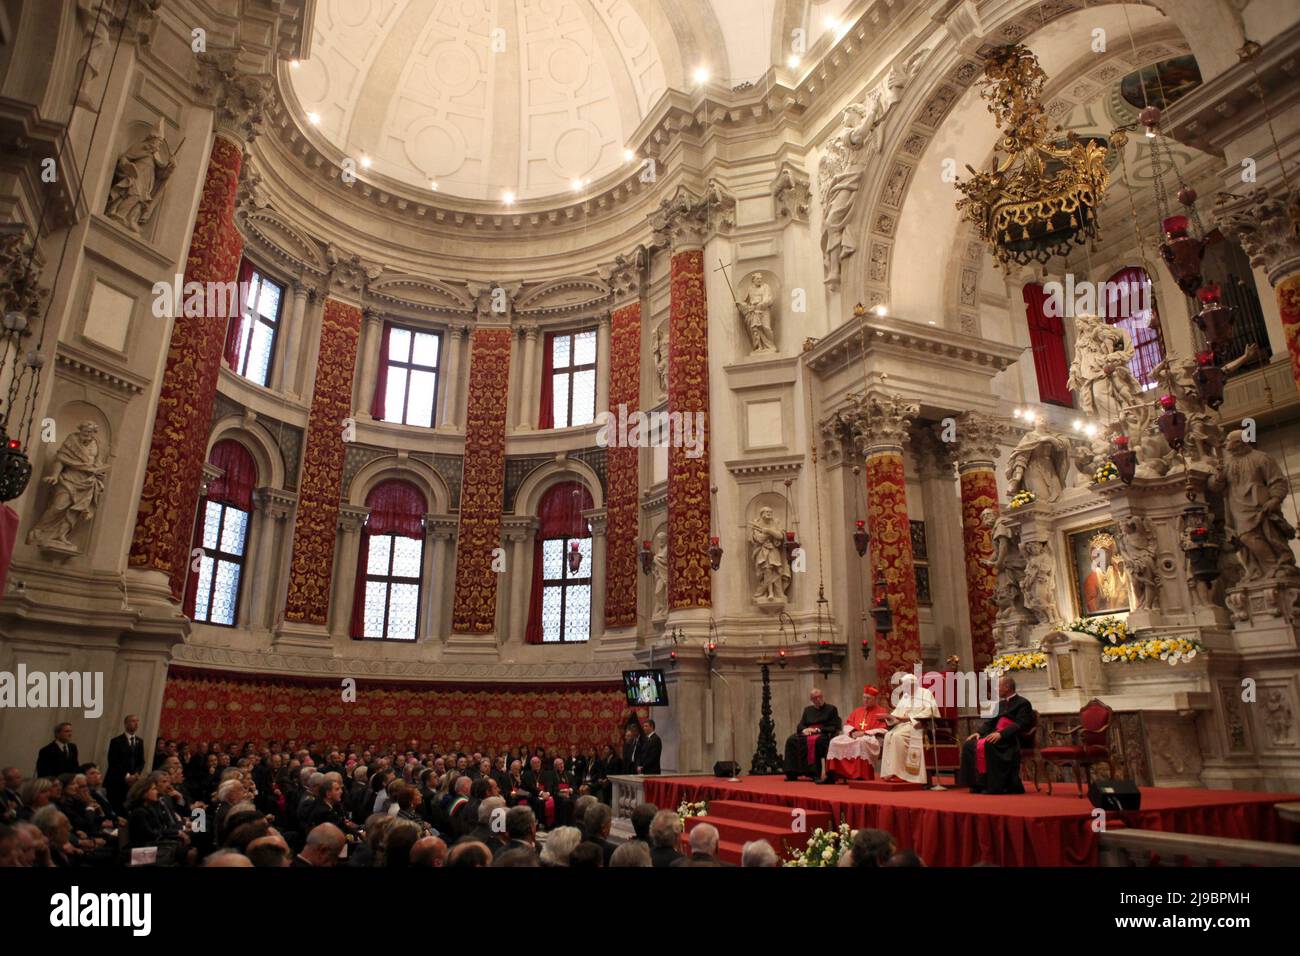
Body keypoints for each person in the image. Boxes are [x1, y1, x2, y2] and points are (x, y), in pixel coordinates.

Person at [958, 676, 1034, 795]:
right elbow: (990, 722)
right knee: (969, 745)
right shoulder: (1000, 704)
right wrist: (979, 732)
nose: (996, 689)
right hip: (996, 735)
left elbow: (1021, 724)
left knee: (989, 745)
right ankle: (977, 784)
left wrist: (1002, 734)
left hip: (1011, 739)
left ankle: (995, 786)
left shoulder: (1023, 703)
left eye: (998, 686)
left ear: (1007, 687)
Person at [879, 674, 939, 784]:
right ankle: (891, 772)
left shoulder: (925, 694)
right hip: (903, 725)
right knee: (888, 736)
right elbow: (897, 716)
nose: (904, 689)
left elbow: (931, 710)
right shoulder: (905, 697)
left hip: (918, 725)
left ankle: (902, 773)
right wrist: (888, 717)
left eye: (905, 686)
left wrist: (909, 718)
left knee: (897, 737)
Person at [826, 685, 891, 780]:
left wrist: (864, 733)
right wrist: (853, 732)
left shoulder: (882, 712)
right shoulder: (857, 711)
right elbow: (847, 725)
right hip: (854, 736)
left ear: (875, 699)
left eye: (868, 698)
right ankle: (834, 774)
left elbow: (884, 729)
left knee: (861, 743)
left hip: (872, 738)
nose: (865, 700)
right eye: (864, 698)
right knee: (834, 741)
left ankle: (859, 775)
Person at [783, 688, 840, 783]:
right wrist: (805, 729)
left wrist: (818, 730)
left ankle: (814, 774)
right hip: (808, 733)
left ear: (822, 696)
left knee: (816, 742)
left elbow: (834, 726)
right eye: (815, 698)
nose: (818, 699)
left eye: (819, 697)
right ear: (811, 700)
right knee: (791, 740)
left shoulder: (831, 709)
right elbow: (801, 724)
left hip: (823, 734)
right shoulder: (808, 710)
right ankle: (792, 773)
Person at [105, 714, 146, 812]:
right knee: (115, 806)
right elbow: (113, 761)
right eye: (133, 721)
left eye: (137, 721)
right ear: (126, 724)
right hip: (117, 779)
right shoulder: (116, 741)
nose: (136, 724)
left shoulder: (139, 741)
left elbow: (141, 761)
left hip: (133, 781)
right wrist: (127, 776)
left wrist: (136, 774)